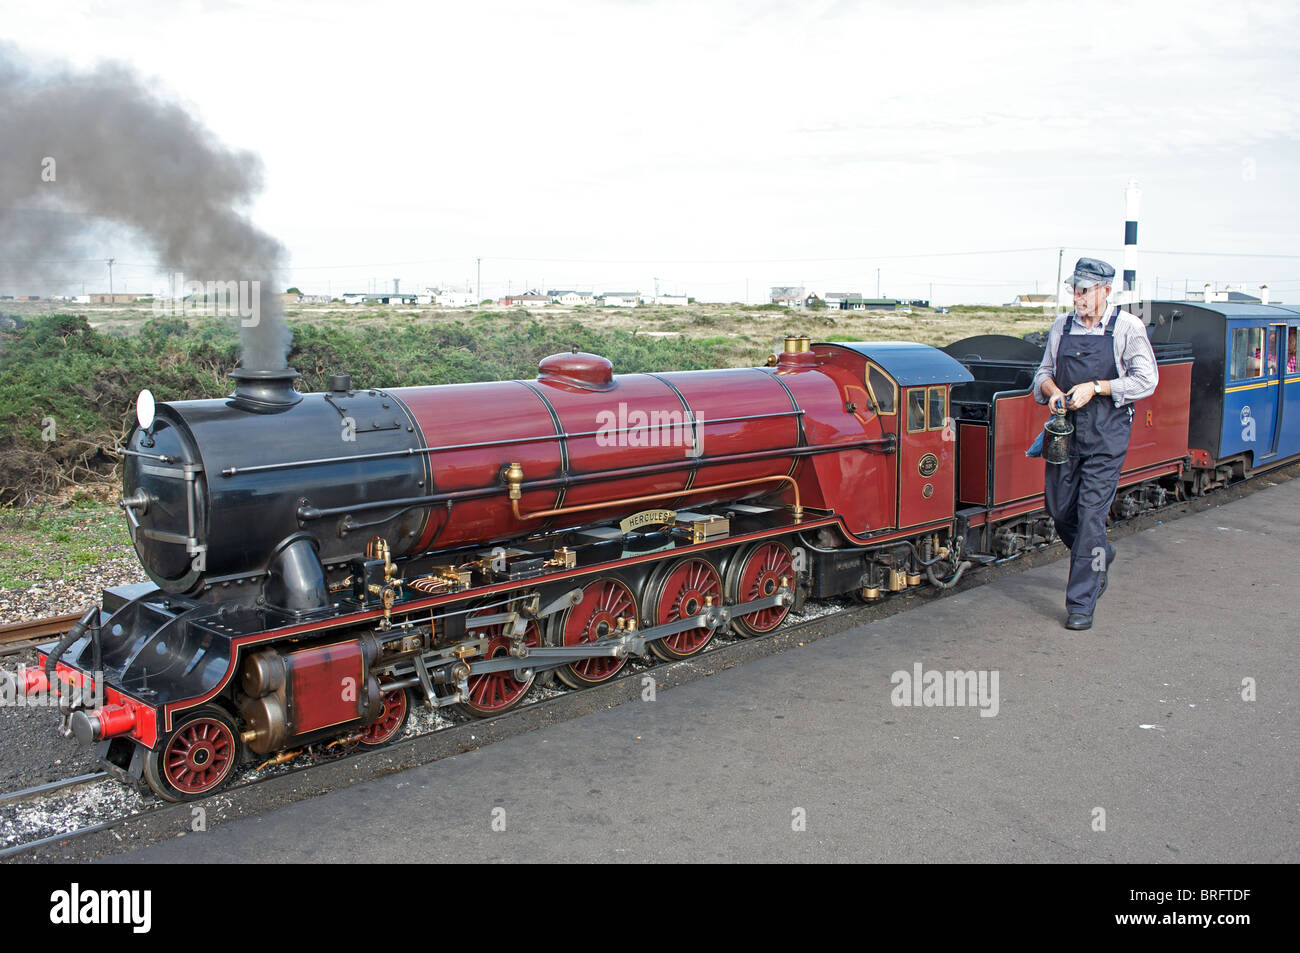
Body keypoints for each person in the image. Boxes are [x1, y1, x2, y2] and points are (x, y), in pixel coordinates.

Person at [1031, 258, 1159, 630]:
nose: (1078, 297)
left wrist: (1098, 387)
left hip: (1107, 433)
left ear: (1105, 291)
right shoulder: (1061, 326)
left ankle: (1080, 605)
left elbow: (1146, 380)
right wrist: (1052, 391)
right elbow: (1043, 372)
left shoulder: (1127, 328)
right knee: (1058, 511)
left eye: (1084, 290)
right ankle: (1101, 554)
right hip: (1065, 432)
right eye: (1074, 289)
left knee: (1090, 517)